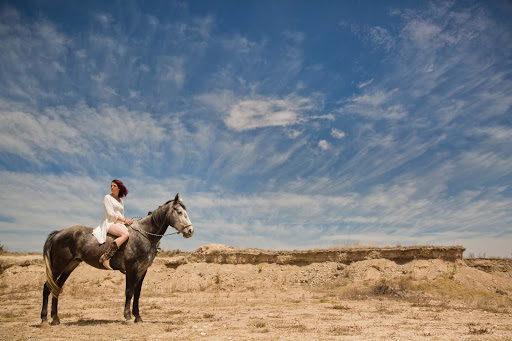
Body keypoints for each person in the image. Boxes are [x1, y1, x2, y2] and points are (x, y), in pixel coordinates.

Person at [92, 179, 134, 270]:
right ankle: (106, 257)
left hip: (119, 223)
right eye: (111, 185)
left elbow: (121, 214)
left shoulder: (121, 201)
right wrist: (124, 220)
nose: (112, 187)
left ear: (119, 188)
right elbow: (110, 214)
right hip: (109, 222)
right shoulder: (107, 197)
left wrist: (125, 222)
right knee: (125, 234)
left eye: (114, 186)